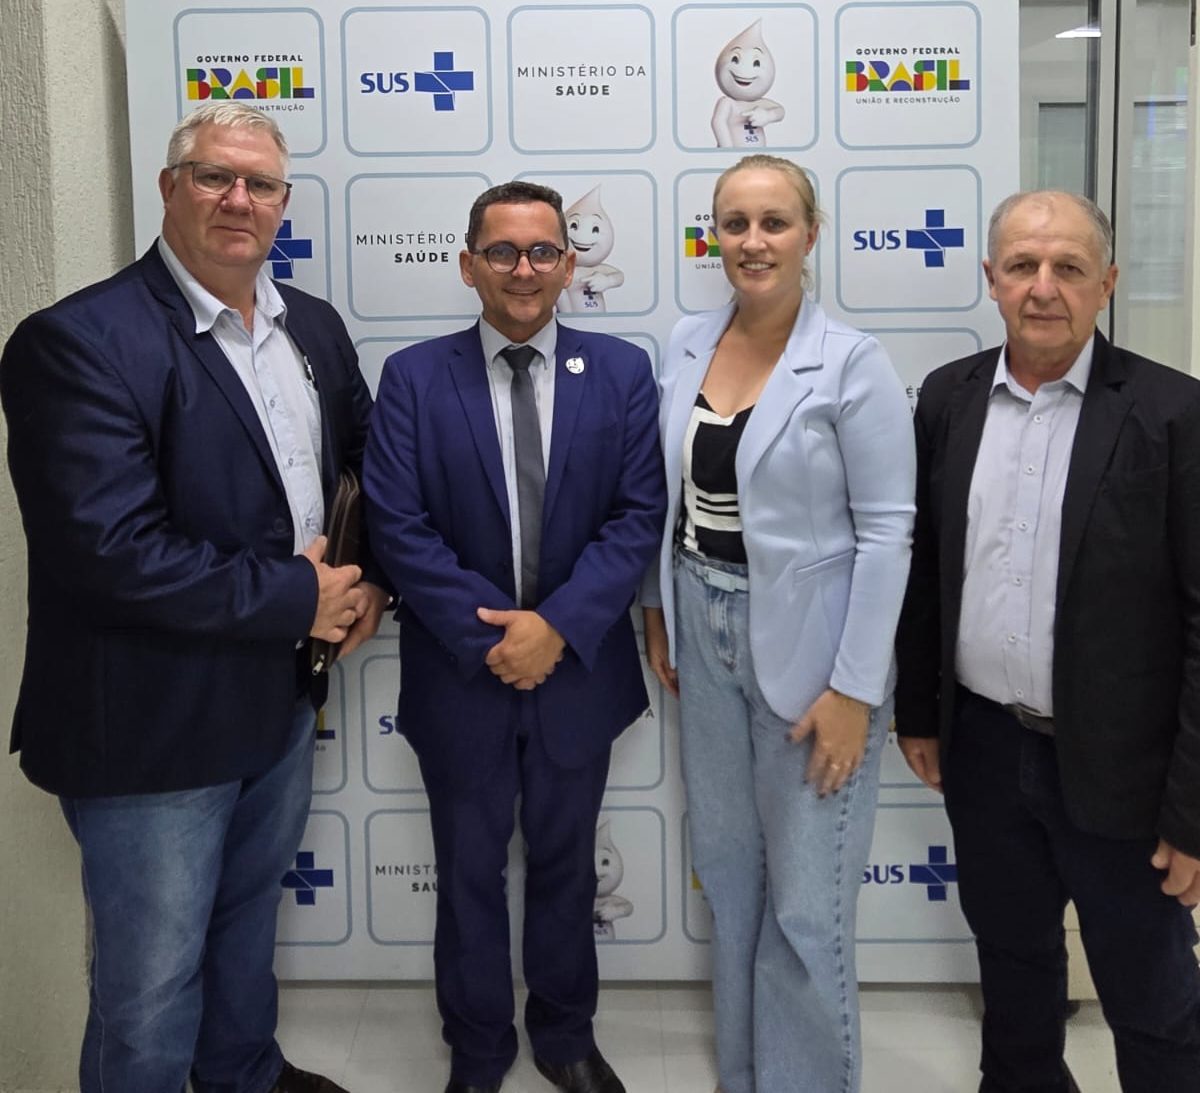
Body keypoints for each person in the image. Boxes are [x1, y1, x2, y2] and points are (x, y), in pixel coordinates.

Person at [0, 101, 389, 1093]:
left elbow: (364, 469)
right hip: (150, 723)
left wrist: (369, 584)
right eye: (215, 176)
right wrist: (298, 598)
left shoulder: (313, 328)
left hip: (278, 698)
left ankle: (242, 1074)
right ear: (170, 188)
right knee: (147, 990)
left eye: (261, 184)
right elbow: (108, 552)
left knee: (245, 926)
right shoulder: (78, 341)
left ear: (283, 204)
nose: (238, 199)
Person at [362, 180, 666, 1093]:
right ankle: (479, 1046)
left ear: (569, 266)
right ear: (469, 265)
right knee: (467, 869)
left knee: (568, 865)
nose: (523, 269)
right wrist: (495, 636)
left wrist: (557, 629)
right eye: (502, 251)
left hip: (578, 670)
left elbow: (637, 516)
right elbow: (397, 525)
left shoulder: (621, 372)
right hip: (462, 671)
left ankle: (566, 1036)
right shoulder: (414, 377)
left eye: (541, 251)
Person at [895, 190, 1200, 1093]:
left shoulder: (1174, 412)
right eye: (1023, 266)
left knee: (1155, 1002)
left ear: (1107, 282)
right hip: (985, 752)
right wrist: (919, 712)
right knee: (1015, 979)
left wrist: (1192, 812)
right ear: (991, 277)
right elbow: (926, 569)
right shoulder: (947, 398)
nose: (1042, 287)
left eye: (1069, 267)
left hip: (1125, 772)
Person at [642, 153, 916, 1093]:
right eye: (734, 223)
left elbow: (888, 534)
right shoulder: (687, 342)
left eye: (773, 222)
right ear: (714, 236)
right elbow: (665, 498)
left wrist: (854, 690)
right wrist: (657, 609)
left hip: (815, 650)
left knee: (806, 899)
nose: (752, 241)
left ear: (810, 234)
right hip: (701, 620)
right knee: (731, 875)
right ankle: (744, 1076)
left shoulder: (851, 362)